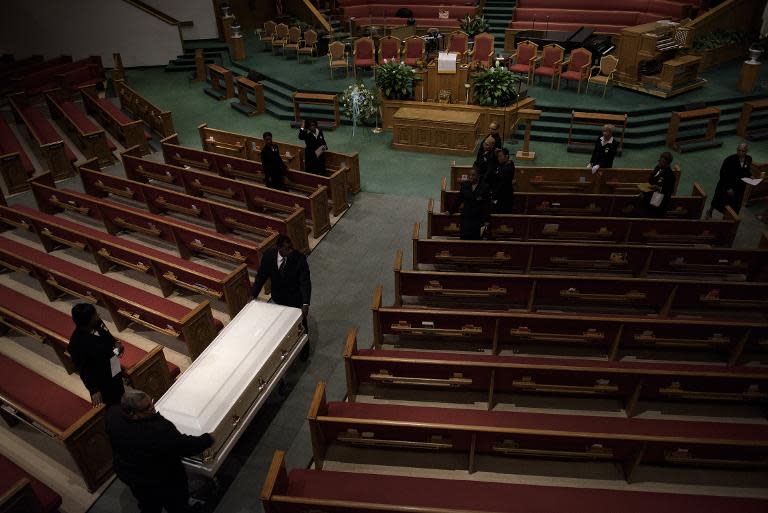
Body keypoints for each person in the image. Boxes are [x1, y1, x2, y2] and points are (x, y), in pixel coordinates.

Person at [106, 389, 214, 513]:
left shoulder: (112, 414)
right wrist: (208, 439)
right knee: (176, 504)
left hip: (129, 473)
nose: (153, 408)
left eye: (151, 402)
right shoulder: (157, 431)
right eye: (147, 408)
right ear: (132, 413)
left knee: (148, 505)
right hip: (160, 478)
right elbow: (184, 446)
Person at [251, 234, 312, 359]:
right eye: (287, 248)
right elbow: (261, 276)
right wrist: (253, 294)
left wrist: (305, 303)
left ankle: (304, 349)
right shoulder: (269, 256)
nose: (291, 250)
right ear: (279, 249)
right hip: (278, 298)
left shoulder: (299, 259)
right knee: (282, 325)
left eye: (291, 247)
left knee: (301, 325)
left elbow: (305, 282)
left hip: (295, 298)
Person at [69, 303, 125, 406]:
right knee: (114, 402)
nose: (98, 316)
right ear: (86, 321)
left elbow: (108, 337)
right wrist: (94, 390)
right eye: (95, 315)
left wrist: (116, 343)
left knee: (121, 390)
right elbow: (83, 370)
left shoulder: (98, 323)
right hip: (103, 379)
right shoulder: (76, 344)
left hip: (114, 364)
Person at [707, 143, 753, 218]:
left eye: (743, 151)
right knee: (718, 199)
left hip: (739, 186)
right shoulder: (729, 159)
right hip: (726, 183)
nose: (741, 152)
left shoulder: (748, 159)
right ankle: (710, 211)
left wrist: (750, 175)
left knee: (734, 204)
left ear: (746, 151)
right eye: (739, 150)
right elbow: (723, 174)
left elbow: (746, 170)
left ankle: (727, 218)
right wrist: (728, 188)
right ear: (736, 150)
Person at [448, 166, 491, 240]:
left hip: (478, 219)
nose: (471, 177)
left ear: (478, 175)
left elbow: (486, 205)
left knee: (476, 242)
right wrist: (450, 211)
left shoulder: (485, 187)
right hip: (466, 218)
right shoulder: (465, 185)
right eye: (470, 175)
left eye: (473, 175)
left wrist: (486, 220)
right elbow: (459, 199)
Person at [641, 151, 676, 217]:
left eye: (661, 162)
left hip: (659, 197)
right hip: (650, 193)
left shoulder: (670, 175)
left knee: (651, 213)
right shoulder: (657, 168)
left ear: (667, 163)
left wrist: (659, 188)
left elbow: (670, 190)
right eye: (659, 160)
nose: (659, 163)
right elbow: (651, 179)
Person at [490, 148, 515, 214]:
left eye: (500, 156)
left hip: (503, 198)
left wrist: (494, 196)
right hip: (501, 196)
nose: (499, 158)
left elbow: (500, 185)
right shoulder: (506, 164)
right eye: (498, 156)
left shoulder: (507, 169)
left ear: (506, 156)